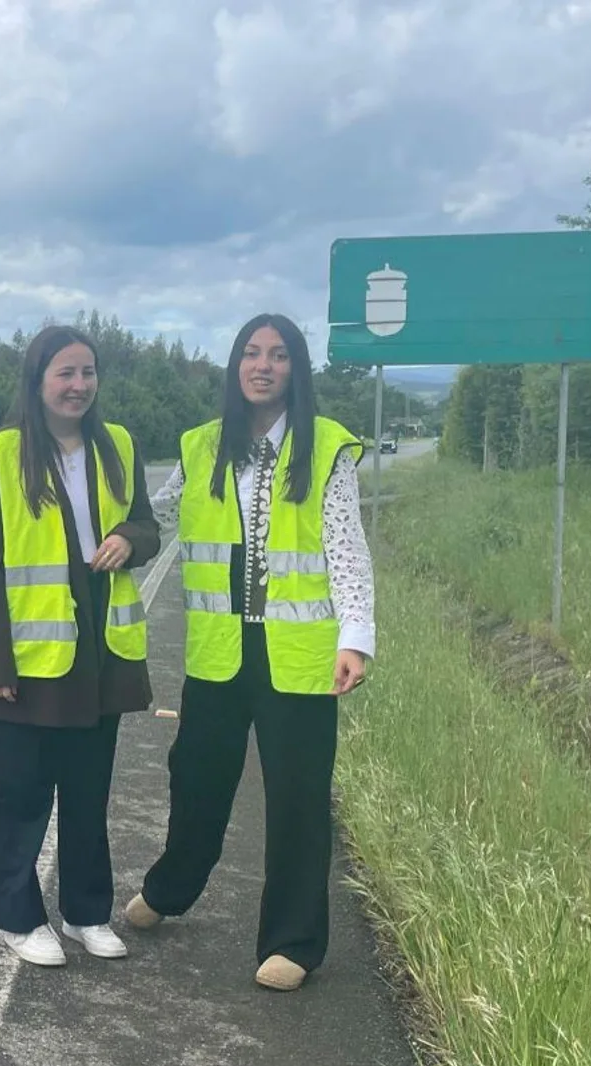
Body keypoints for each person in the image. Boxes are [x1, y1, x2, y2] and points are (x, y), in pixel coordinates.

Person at [122, 312, 375, 992]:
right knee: (196, 780)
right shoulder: (202, 446)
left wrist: (356, 637)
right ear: (236, 366)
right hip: (219, 652)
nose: (263, 364)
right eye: (251, 353)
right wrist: (121, 532)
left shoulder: (326, 448)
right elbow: (162, 518)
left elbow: (346, 550)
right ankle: (171, 887)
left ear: (297, 369)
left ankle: (292, 941)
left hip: (298, 656)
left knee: (297, 797)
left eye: (279, 354)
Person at [0, 325, 162, 966]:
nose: (79, 386)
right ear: (38, 380)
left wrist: (132, 538)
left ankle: (85, 912)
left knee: (87, 791)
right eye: (65, 374)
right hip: (29, 655)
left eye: (88, 372)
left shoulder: (119, 445)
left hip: (99, 649)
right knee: (18, 794)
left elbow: (147, 525)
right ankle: (16, 917)